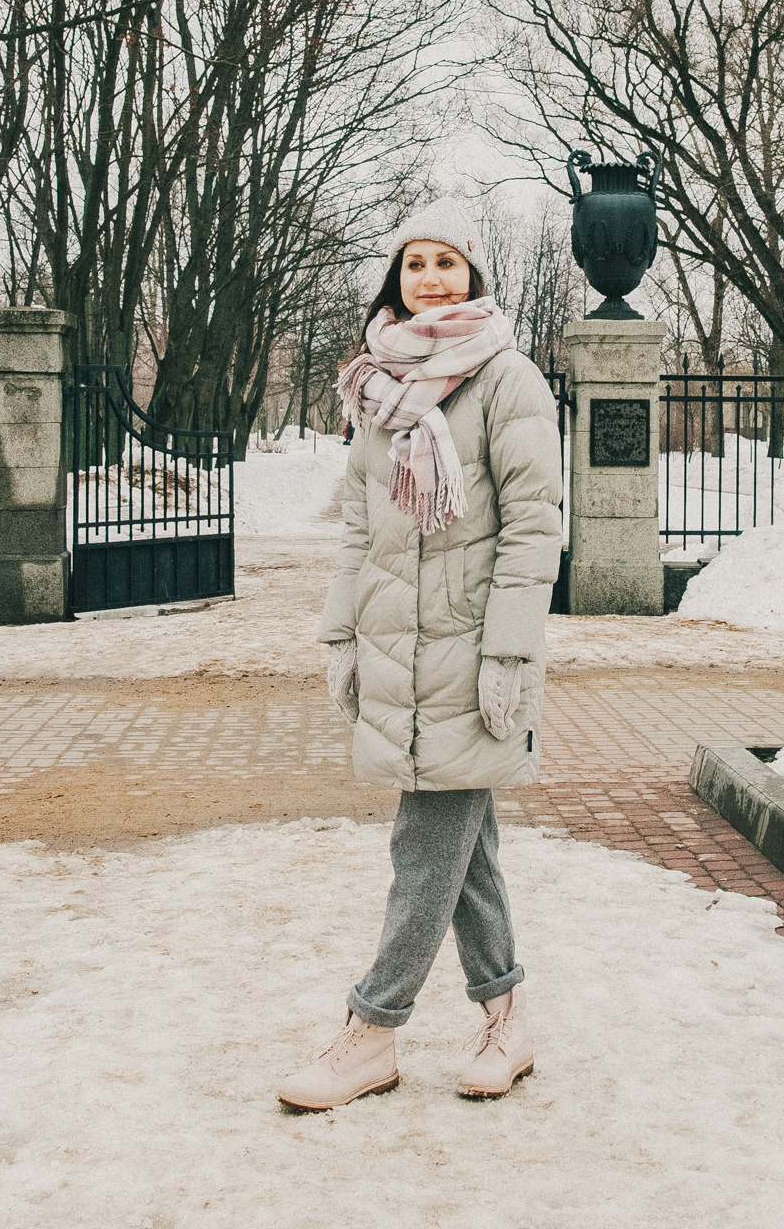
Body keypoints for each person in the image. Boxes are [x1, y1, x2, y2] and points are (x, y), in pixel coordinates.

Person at [275, 198, 562, 1111]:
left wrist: (509, 656)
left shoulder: (509, 379)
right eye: (414, 264)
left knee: (425, 841)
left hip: (474, 654)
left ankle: (373, 1030)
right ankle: (507, 1019)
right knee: (462, 844)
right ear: (395, 279)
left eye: (447, 262)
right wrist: (340, 633)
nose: (430, 277)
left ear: (473, 275)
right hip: (399, 653)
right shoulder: (378, 389)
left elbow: (533, 529)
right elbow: (361, 529)